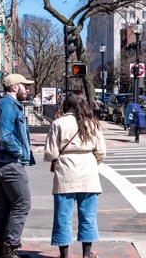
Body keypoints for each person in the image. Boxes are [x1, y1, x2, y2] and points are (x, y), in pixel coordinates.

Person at [44, 91, 106, 258]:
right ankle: (86, 254)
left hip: (65, 172)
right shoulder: (93, 123)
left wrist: (57, 158)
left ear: (67, 105)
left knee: (62, 217)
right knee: (88, 216)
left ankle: (64, 255)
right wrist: (92, 162)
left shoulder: (58, 123)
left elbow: (50, 152)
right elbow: (101, 152)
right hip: (88, 173)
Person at [0, 74, 36, 258]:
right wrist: (20, 153)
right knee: (22, 204)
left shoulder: (0, 105)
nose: (27, 89)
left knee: (2, 207)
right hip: (9, 163)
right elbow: (5, 136)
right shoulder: (8, 106)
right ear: (15, 87)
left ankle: (1, 248)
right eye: (25, 86)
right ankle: (10, 249)